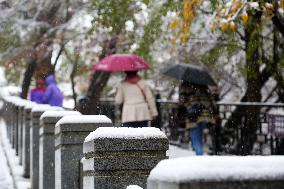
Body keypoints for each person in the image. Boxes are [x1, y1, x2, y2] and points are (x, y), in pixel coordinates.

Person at [180, 81, 216, 155]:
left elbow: (182, 101)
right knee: (202, 137)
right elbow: (212, 101)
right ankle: (205, 151)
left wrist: (190, 105)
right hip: (206, 115)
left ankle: (199, 157)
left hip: (193, 116)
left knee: (195, 138)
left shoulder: (185, 85)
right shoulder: (204, 84)